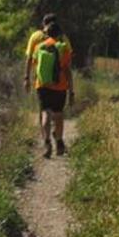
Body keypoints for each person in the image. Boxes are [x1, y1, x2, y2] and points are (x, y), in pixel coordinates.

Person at [32, 22, 74, 158]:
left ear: (46, 34)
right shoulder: (63, 48)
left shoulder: (39, 47)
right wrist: (71, 90)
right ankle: (59, 143)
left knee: (46, 113)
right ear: (59, 34)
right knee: (58, 114)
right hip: (60, 86)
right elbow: (67, 70)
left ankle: (47, 143)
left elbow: (35, 66)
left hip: (42, 85)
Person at [24, 13, 58, 93]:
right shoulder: (62, 38)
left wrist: (27, 78)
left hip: (40, 81)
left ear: (43, 24)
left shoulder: (35, 36)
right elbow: (67, 64)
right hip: (58, 82)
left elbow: (29, 58)